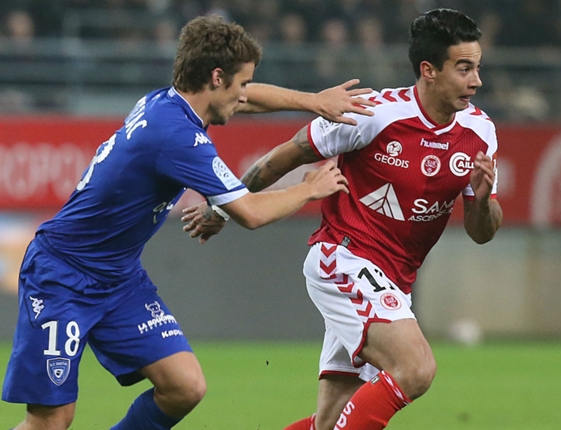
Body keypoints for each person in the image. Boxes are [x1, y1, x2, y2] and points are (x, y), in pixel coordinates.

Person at [1, 14, 377, 430]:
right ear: (216, 78)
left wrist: (313, 102)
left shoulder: (168, 103)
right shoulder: (177, 137)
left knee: (184, 387)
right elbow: (251, 213)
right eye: (242, 82)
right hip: (62, 276)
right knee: (51, 421)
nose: (245, 95)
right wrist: (308, 189)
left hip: (117, 279)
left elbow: (248, 100)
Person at [182, 9, 503, 430]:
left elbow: (482, 232)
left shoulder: (480, 132)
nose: (476, 81)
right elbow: (288, 154)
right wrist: (222, 207)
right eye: (463, 69)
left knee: (330, 421)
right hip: (344, 258)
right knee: (416, 367)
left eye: (477, 68)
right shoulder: (374, 114)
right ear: (429, 70)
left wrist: (483, 200)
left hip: (394, 282)